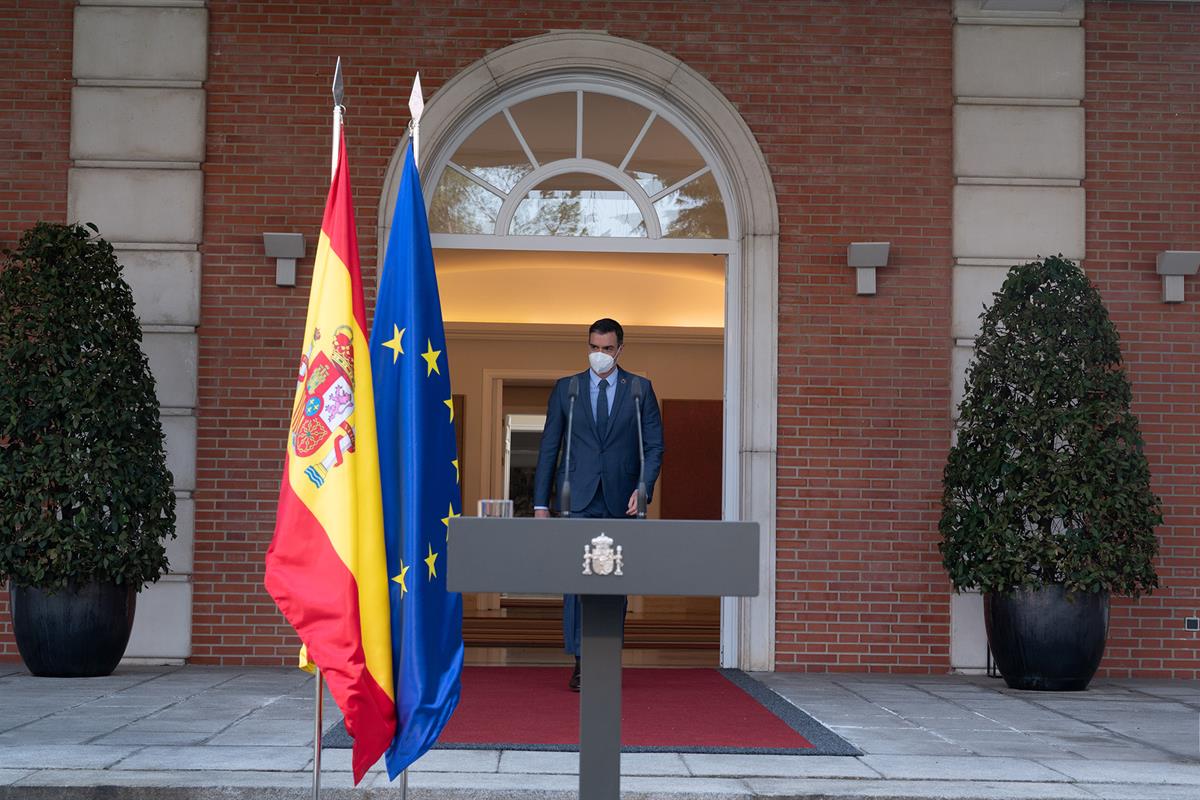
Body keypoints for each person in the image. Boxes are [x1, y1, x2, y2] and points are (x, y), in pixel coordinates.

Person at [533, 318, 664, 691]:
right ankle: (580, 662)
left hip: (621, 500)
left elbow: (654, 445)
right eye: (594, 348)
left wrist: (644, 486)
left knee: (612, 583)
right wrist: (541, 503)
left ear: (620, 349)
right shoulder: (567, 389)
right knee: (577, 582)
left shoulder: (639, 388)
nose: (600, 355)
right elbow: (549, 448)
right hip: (578, 499)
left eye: (607, 349)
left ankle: (605, 659)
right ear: (587, 346)